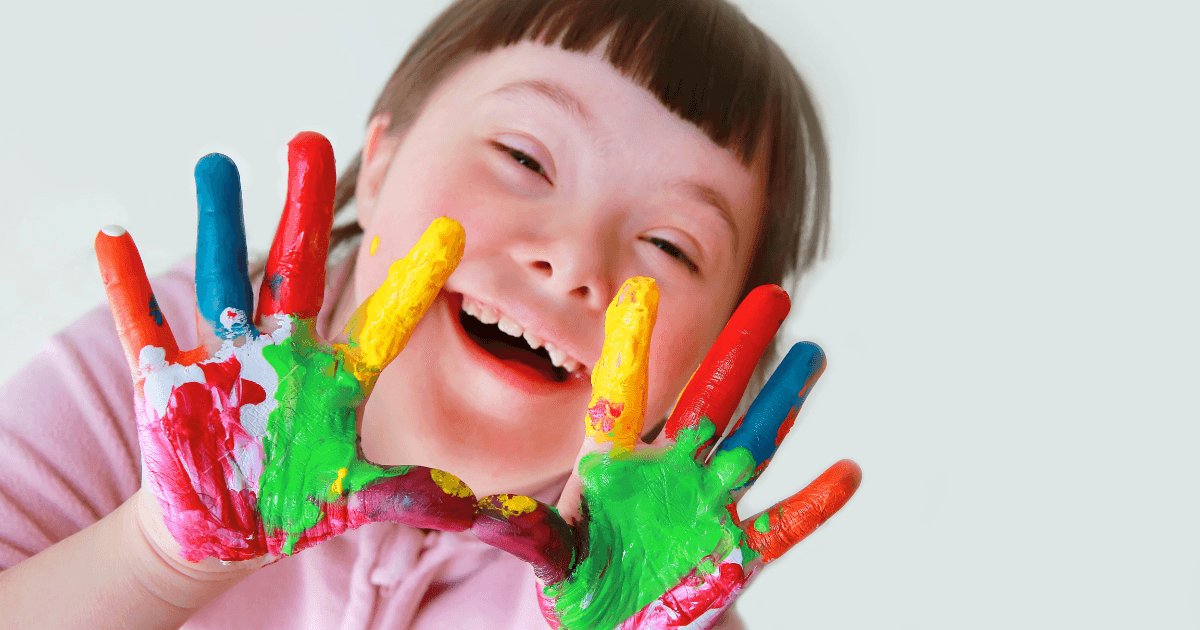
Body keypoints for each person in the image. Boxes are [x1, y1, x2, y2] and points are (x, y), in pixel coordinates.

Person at [0, 0, 853, 628]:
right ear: (380, 164)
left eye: (671, 247)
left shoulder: (645, 583)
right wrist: (159, 557)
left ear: (718, 356)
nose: (573, 260)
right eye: (524, 156)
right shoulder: (181, 386)